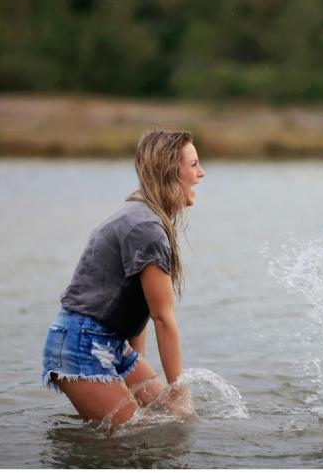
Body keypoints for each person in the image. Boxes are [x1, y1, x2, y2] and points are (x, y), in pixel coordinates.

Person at [42, 129, 204, 431]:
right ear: (171, 170)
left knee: (178, 421)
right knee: (137, 436)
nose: (201, 173)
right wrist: (178, 389)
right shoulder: (146, 227)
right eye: (194, 165)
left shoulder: (146, 218)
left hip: (110, 342)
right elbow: (162, 317)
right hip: (82, 344)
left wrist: (134, 373)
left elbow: (138, 307)